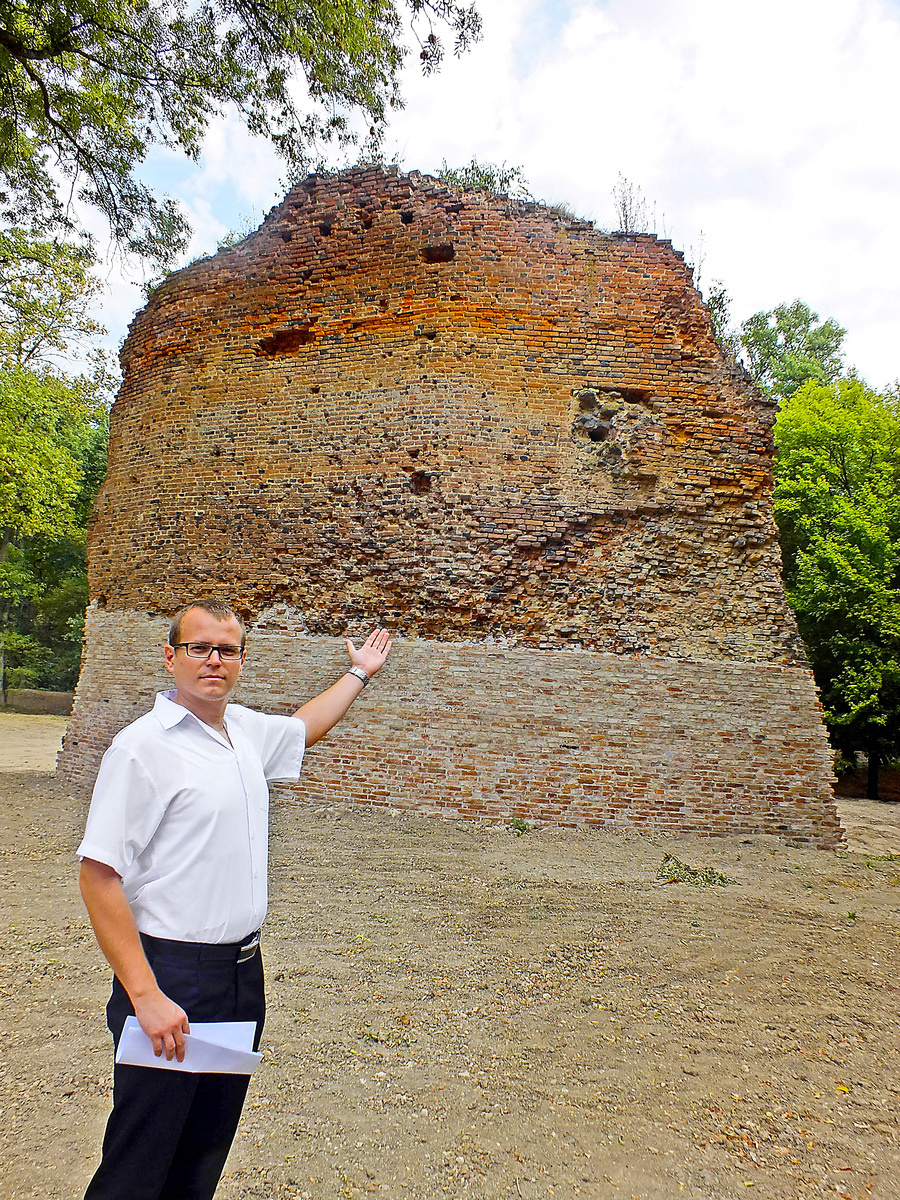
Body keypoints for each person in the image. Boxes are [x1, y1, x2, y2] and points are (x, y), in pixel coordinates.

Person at [77, 599, 392, 1200]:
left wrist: (358, 673)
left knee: (202, 1153)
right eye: (199, 647)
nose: (214, 660)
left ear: (242, 660)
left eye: (227, 649)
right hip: (172, 975)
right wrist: (145, 995)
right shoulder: (142, 748)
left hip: (241, 975)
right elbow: (98, 876)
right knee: (139, 1160)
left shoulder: (243, 730)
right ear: (171, 657)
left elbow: (304, 727)